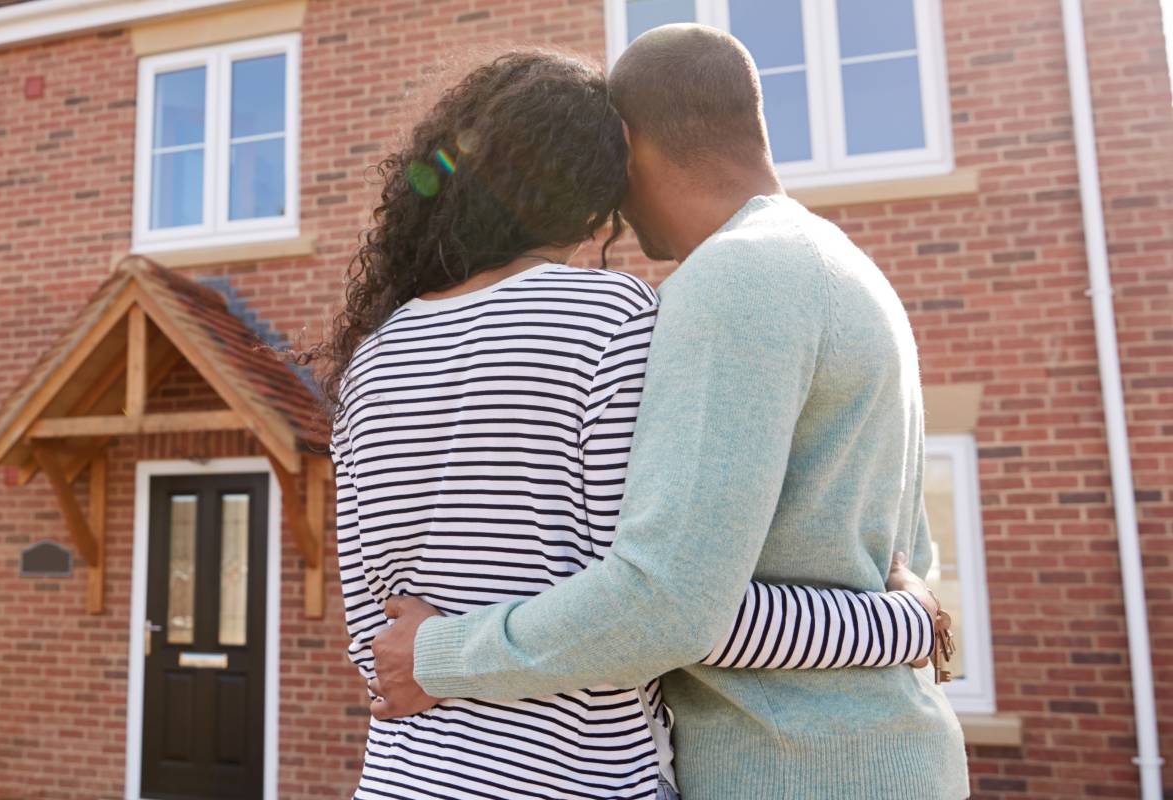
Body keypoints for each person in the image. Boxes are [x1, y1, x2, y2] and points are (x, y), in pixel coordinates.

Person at [364, 26, 971, 800]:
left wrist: (439, 652)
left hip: (793, 770)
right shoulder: (846, 268)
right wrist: (914, 624)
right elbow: (905, 559)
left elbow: (666, 603)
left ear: (625, 143)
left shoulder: (733, 280)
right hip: (878, 756)